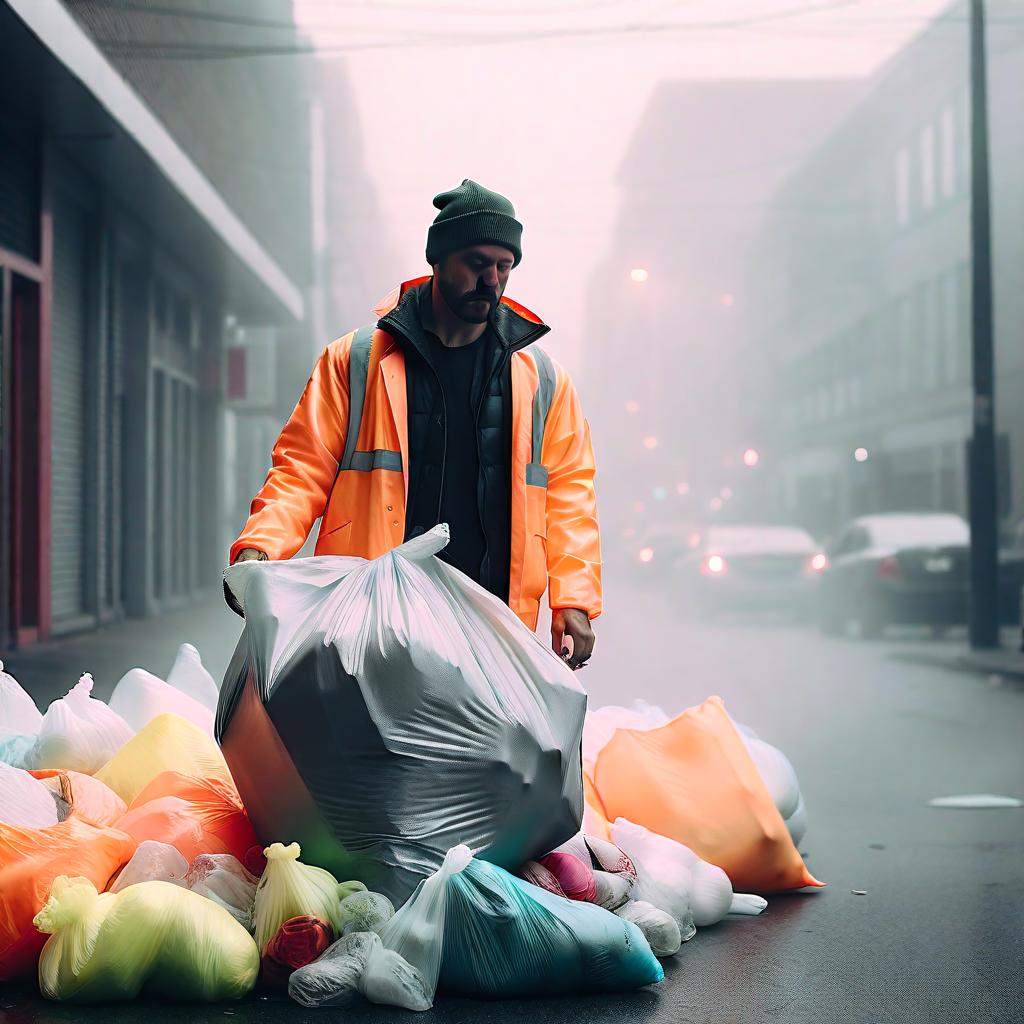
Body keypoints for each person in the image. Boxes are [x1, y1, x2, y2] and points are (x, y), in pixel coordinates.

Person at [227, 180, 600, 669]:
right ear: (438, 260)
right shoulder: (356, 361)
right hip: (369, 623)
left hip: (493, 628)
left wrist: (573, 598)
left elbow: (569, 496)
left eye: (503, 266)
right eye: (475, 262)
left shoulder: (543, 381)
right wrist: (260, 551)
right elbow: (300, 469)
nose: (491, 280)